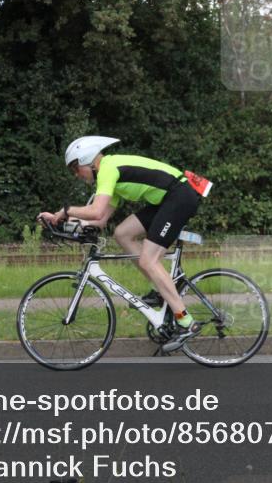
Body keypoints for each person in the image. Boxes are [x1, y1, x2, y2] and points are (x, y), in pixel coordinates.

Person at [36, 136, 211, 351]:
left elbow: (95, 211)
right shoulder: (108, 175)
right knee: (122, 233)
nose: (76, 174)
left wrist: (64, 211)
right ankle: (161, 289)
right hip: (167, 199)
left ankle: (186, 322)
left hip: (179, 196)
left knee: (148, 260)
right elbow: (99, 220)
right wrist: (58, 221)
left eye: (75, 168)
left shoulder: (109, 168)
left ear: (88, 160)